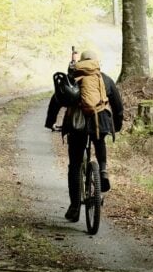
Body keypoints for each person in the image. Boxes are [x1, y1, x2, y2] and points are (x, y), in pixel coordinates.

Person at [45, 49, 123, 222]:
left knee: (75, 164)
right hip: (100, 121)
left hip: (77, 124)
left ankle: (74, 206)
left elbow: (56, 99)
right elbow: (118, 105)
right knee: (99, 140)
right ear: (96, 62)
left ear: (80, 62)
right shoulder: (104, 79)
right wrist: (116, 126)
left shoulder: (72, 77)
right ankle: (102, 170)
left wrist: (50, 122)